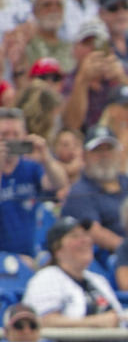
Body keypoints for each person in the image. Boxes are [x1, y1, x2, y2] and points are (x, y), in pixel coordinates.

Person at [21, 216, 124, 342]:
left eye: (85, 235)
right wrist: (95, 323)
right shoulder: (46, 278)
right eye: (75, 236)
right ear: (57, 249)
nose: (85, 240)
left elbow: (118, 318)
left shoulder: (98, 280)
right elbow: (44, 322)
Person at [62, 125, 128, 256]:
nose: (104, 155)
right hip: (112, 259)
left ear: (118, 152)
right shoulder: (79, 192)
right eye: (97, 150)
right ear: (84, 156)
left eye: (109, 149)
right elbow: (95, 233)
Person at [0, 107, 68, 257]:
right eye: (4, 135)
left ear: (24, 136)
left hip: (29, 255)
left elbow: (59, 183)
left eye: (16, 134)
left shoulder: (30, 167)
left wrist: (46, 158)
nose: (10, 140)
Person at [20, 0, 75, 76]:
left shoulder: (72, 49)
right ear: (34, 10)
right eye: (47, 5)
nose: (53, 9)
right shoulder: (26, 47)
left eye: (58, 5)